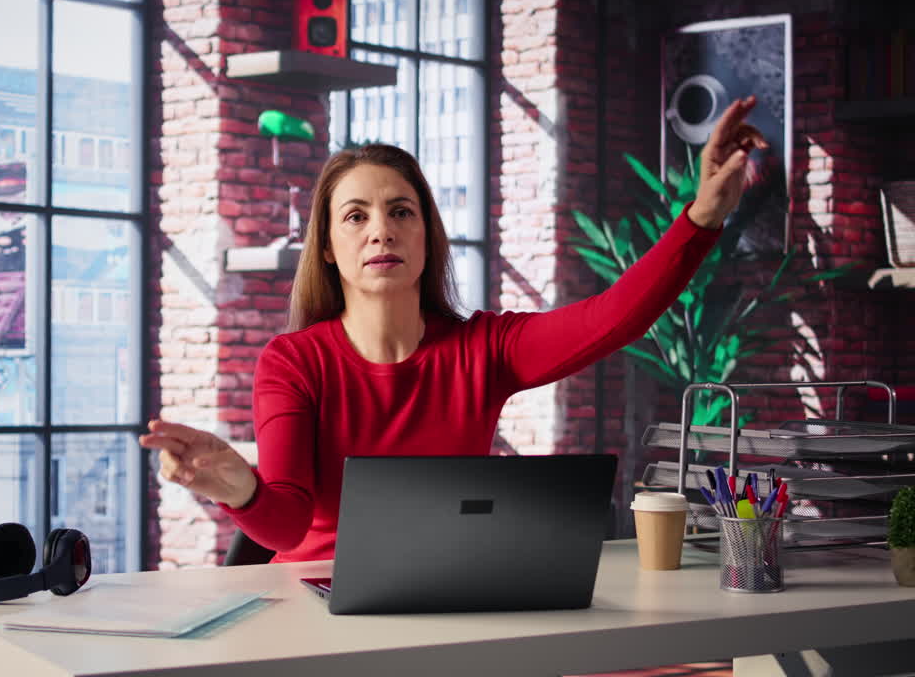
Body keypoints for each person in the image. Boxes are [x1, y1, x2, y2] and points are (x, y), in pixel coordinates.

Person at [141, 96, 769, 564]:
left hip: (446, 595)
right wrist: (238, 487)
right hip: (310, 613)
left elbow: (611, 318)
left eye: (400, 212)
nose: (380, 230)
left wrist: (703, 216)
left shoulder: (482, 349)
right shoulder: (293, 362)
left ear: (424, 235)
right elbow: (283, 530)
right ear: (328, 247)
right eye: (355, 216)